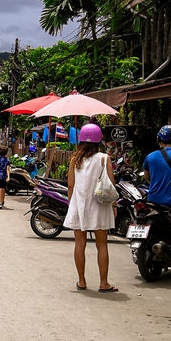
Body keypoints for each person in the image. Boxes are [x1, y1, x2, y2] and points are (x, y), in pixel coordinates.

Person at [63, 123, 118, 293]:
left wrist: (72, 205)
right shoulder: (104, 158)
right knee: (102, 245)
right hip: (100, 206)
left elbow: (70, 185)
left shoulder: (74, 159)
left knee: (79, 244)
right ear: (99, 140)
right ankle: (103, 283)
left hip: (79, 205)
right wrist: (114, 205)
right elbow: (111, 184)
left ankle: (81, 281)